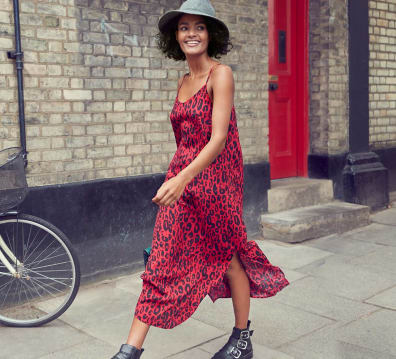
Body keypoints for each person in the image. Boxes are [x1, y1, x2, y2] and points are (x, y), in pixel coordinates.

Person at [111, 0, 290, 358]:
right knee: (161, 257)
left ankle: (241, 339)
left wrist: (182, 179)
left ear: (211, 34)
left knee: (230, 257)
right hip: (183, 181)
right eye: (184, 27)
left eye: (199, 27)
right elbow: (185, 140)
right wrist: (177, 179)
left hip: (217, 181)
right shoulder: (183, 80)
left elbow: (219, 138)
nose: (191, 34)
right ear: (175, 37)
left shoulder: (220, 75)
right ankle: (129, 351)